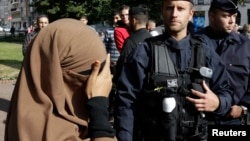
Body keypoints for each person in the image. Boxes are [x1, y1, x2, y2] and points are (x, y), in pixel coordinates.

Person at [114, 0, 233, 141]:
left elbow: (226, 92)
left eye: (180, 9)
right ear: (162, 12)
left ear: (190, 14)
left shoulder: (206, 54)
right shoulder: (144, 52)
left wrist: (218, 102)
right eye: (169, 8)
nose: (174, 14)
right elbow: (126, 102)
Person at [5, 18, 116, 141]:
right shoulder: (43, 129)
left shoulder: (26, 109)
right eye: (90, 74)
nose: (99, 84)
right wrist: (99, 109)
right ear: (55, 74)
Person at [194, 0, 250, 125]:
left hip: (231, 120)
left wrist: (243, 108)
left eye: (234, 16)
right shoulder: (194, 42)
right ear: (212, 16)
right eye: (226, 16)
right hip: (200, 119)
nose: (232, 21)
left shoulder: (245, 46)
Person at [115, 4, 152, 83]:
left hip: (134, 85)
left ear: (133, 20)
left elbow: (122, 66)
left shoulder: (131, 41)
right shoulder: (152, 39)